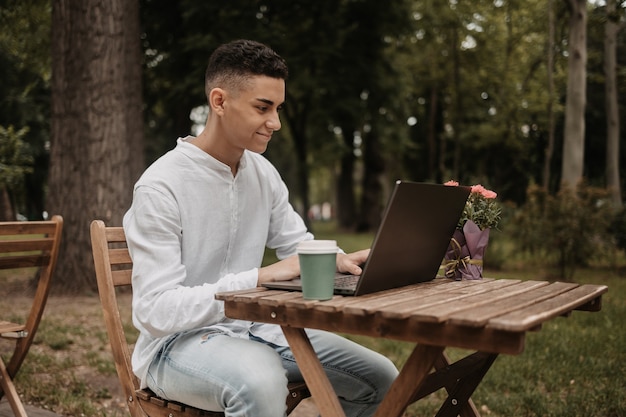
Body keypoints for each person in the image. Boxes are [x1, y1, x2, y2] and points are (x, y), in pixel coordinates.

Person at [123, 39, 398, 417]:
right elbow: (156, 311)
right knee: (260, 382)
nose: (276, 123)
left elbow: (297, 244)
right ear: (219, 102)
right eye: (263, 108)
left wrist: (340, 260)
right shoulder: (161, 186)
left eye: (279, 108)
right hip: (174, 346)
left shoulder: (263, 173)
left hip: (257, 330)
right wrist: (260, 277)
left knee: (380, 376)